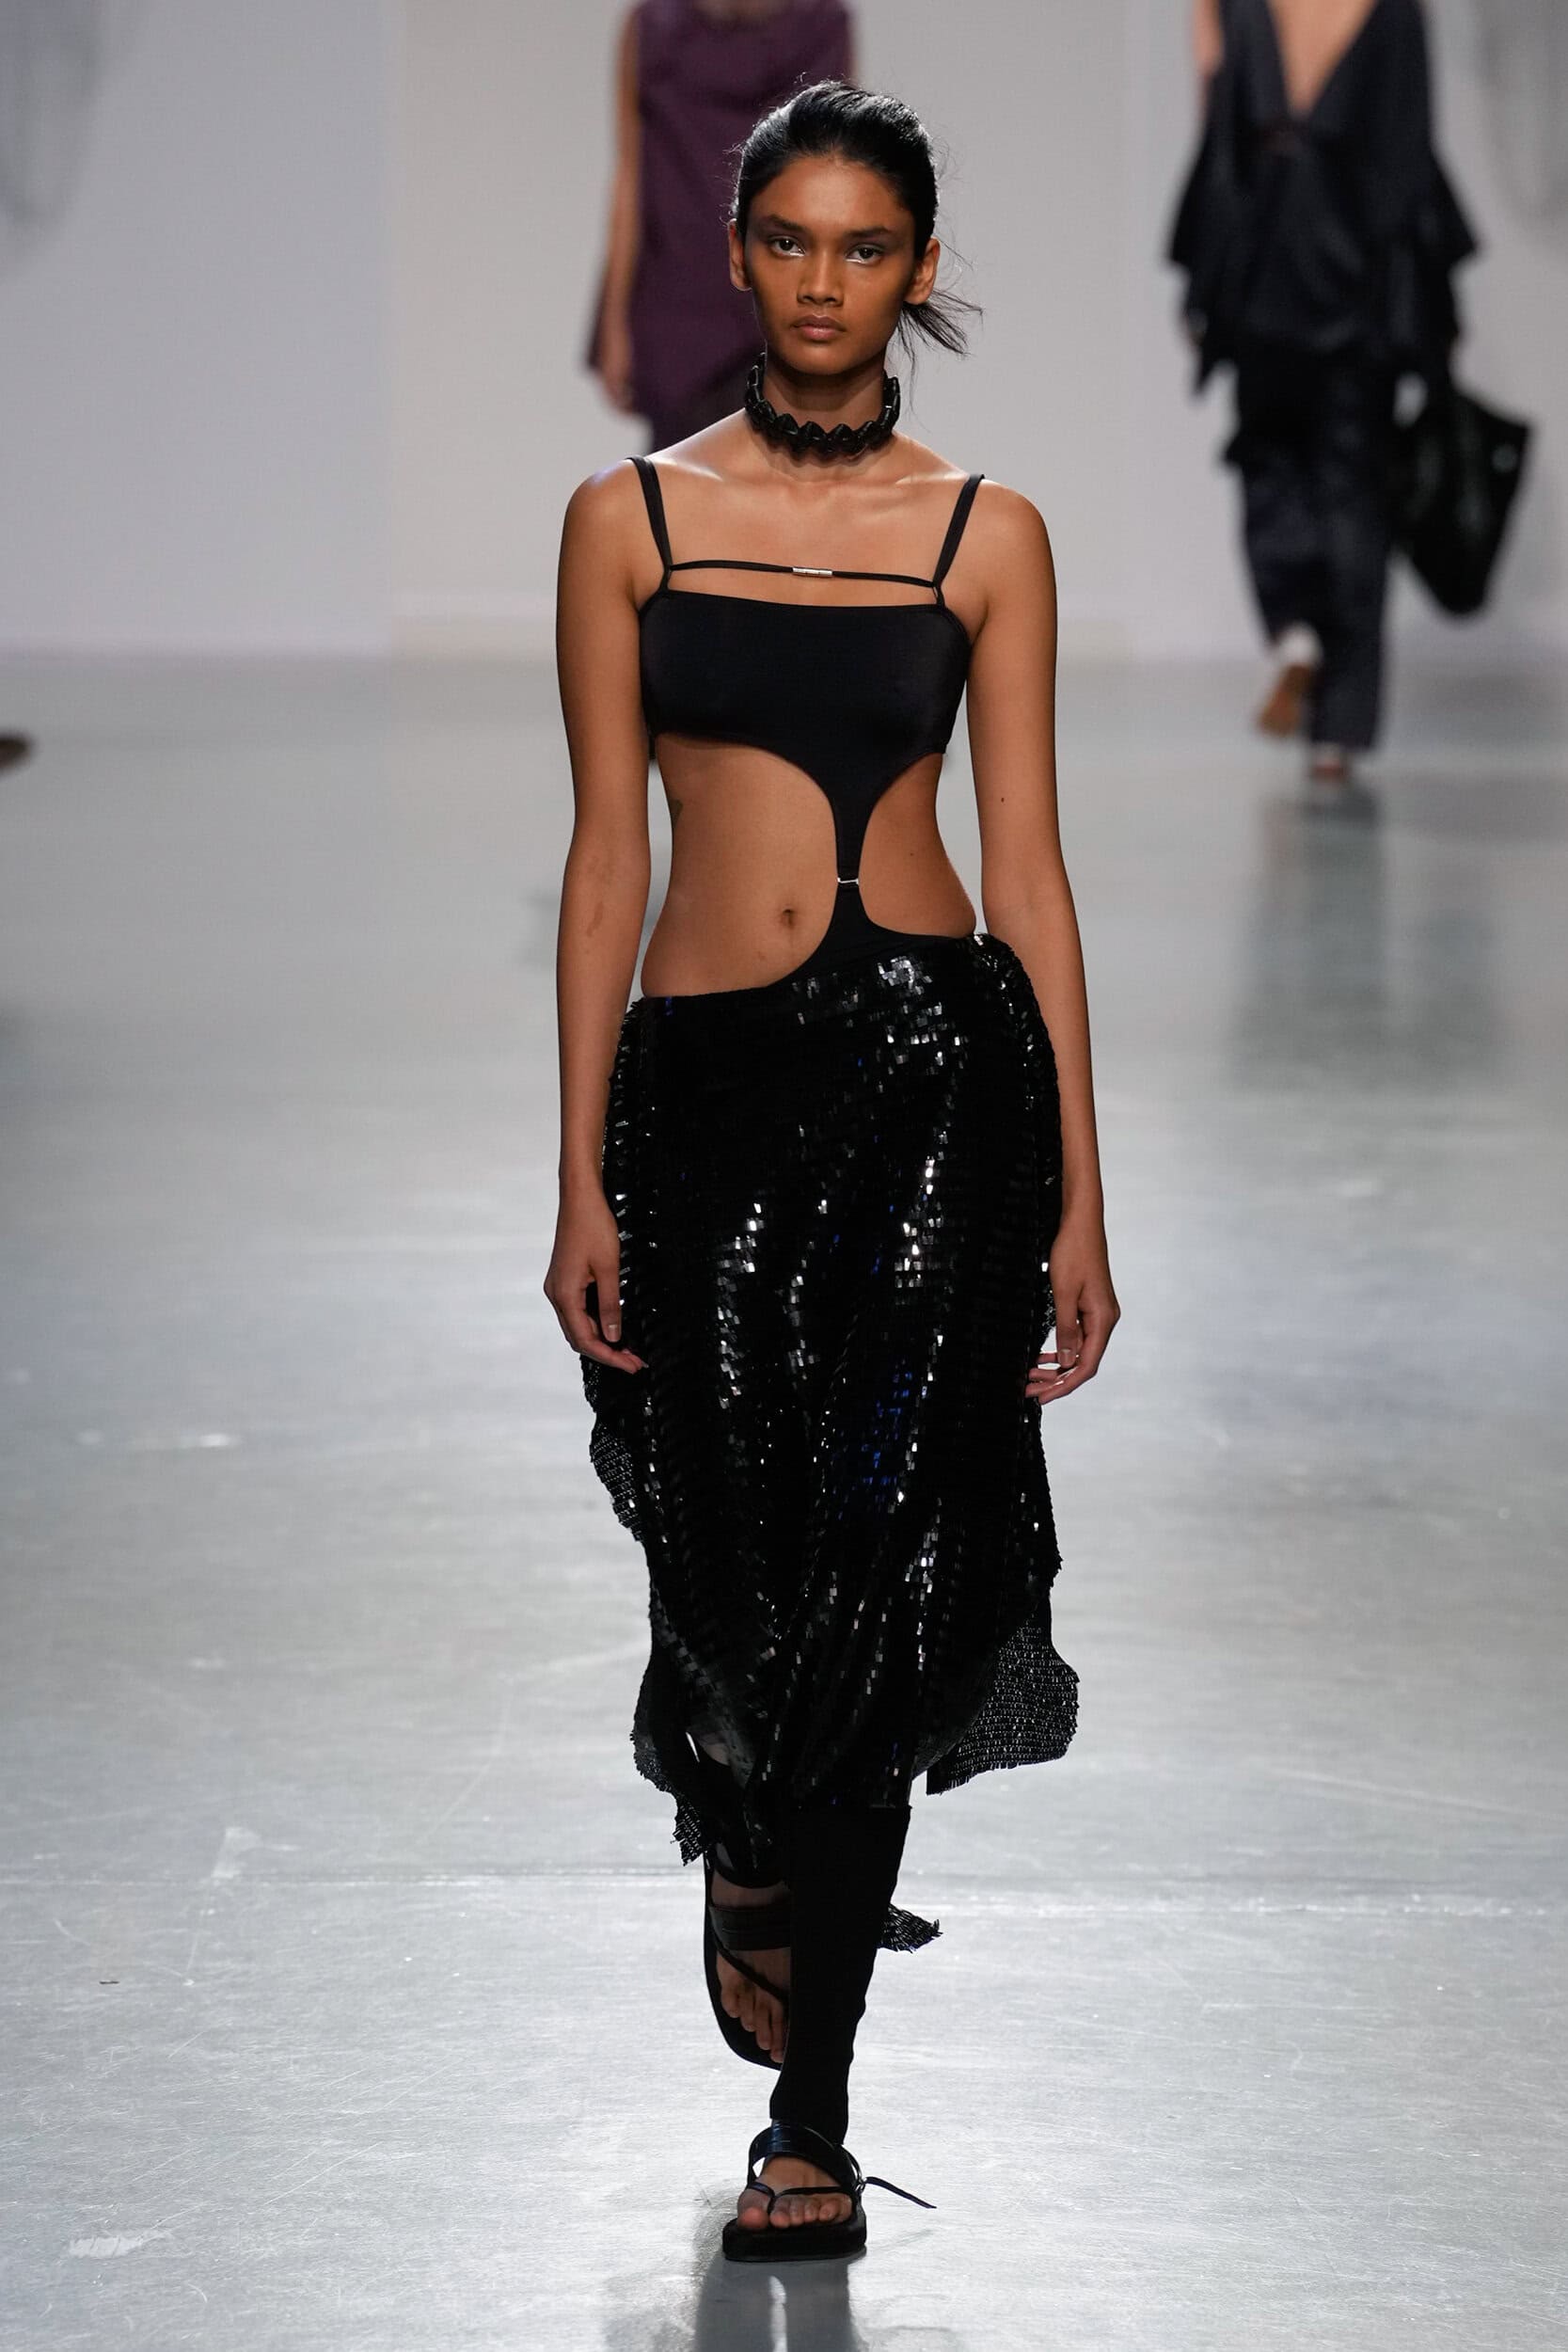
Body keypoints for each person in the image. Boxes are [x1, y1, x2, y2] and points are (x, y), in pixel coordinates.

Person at [548, 80, 1118, 2260]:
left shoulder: (987, 533)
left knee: (879, 1576)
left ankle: (812, 2119)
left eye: (862, 246)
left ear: (918, 269)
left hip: (927, 1099)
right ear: (736, 257)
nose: (819, 280)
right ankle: (747, 1832)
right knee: (723, 1564)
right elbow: (606, 863)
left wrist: (1077, 1193)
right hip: (699, 1104)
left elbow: (1032, 876)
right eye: (785, 239)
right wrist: (576, 1176)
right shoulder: (628, 519)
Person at [1169, 0, 1477, 796]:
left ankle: (1291, 627)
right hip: (1360, 272)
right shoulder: (1395, 12)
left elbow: (1218, 127)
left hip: (1262, 258)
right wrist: (1434, 305)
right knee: (1355, 490)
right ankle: (1338, 730)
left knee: (1267, 458)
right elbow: (1408, 144)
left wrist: (1201, 284)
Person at [587, 0, 854, 447]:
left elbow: (841, 179)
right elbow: (631, 176)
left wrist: (861, 326)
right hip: (681, 311)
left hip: (788, 304)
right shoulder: (654, 28)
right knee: (683, 481)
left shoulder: (820, 26)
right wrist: (614, 321)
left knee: (795, 476)